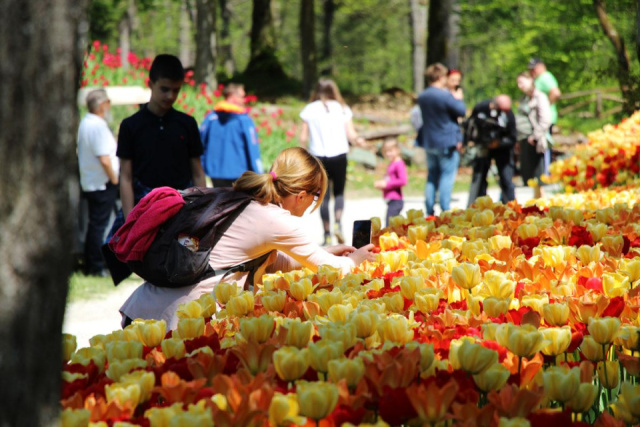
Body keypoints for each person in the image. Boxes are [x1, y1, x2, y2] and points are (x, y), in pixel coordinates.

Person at [119, 147, 377, 329]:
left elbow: (270, 261)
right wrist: (356, 260)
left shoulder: (242, 200)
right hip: (176, 322)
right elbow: (330, 270)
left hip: (147, 309)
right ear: (300, 195)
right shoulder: (276, 219)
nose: (313, 203)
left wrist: (326, 250)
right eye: (316, 194)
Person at [116, 54, 206, 224]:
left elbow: (197, 172)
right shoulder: (130, 126)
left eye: (176, 90)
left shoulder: (187, 124)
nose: (170, 96)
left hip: (182, 206)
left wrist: (202, 211)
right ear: (150, 84)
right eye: (164, 89)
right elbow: (125, 177)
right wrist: (129, 222)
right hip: (142, 207)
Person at [299, 78, 367, 245]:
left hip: (318, 158)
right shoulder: (342, 108)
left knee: (323, 196)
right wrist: (359, 140)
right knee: (339, 193)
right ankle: (338, 224)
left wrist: (303, 153)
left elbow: (303, 137)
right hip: (339, 155)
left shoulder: (309, 109)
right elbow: (351, 133)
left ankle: (327, 234)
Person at [77, 89, 120, 276]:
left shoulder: (86, 123)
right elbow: (104, 158)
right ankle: (95, 266)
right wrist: (115, 178)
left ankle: (93, 263)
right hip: (103, 183)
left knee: (95, 224)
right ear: (103, 105)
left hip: (93, 181)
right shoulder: (97, 126)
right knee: (99, 226)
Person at [417, 63, 466, 216]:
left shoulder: (423, 95)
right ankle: (445, 208)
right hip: (446, 141)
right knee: (447, 175)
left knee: (432, 175)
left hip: (429, 141)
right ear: (439, 77)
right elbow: (461, 111)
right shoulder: (444, 95)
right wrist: (458, 99)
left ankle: (429, 208)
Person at [200, 83, 263, 188]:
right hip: (238, 173)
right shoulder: (243, 120)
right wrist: (259, 174)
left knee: (218, 202)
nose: (244, 100)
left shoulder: (211, 118)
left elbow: (200, 143)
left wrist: (202, 167)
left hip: (215, 172)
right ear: (232, 96)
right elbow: (253, 149)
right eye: (242, 96)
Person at [465, 95, 517, 206]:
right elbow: (470, 124)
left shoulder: (508, 114)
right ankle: (477, 206)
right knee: (479, 179)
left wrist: (499, 143)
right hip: (483, 147)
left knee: (506, 179)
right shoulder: (481, 108)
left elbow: (513, 137)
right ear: (494, 105)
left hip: (503, 149)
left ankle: (510, 206)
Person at [515, 72, 552, 199]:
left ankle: (541, 203)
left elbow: (546, 120)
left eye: (522, 82)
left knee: (538, 175)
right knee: (529, 175)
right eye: (518, 83)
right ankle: (536, 202)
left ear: (530, 80)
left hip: (535, 141)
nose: (520, 86)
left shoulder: (540, 97)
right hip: (524, 139)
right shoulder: (524, 99)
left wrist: (535, 136)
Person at [529, 58, 561, 173]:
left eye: (534, 68)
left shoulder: (545, 77)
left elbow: (556, 93)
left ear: (541, 66)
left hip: (545, 118)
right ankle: (543, 173)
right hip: (542, 118)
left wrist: (545, 106)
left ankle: (546, 174)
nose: (532, 71)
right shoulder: (540, 78)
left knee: (545, 145)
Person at [374, 138, 408, 226]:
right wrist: (381, 185)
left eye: (390, 151)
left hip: (396, 201)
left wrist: (386, 184)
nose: (388, 153)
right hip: (391, 200)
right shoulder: (392, 163)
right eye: (386, 151)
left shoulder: (399, 164)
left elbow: (403, 180)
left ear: (398, 150)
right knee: (391, 225)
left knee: (389, 226)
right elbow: (390, 178)